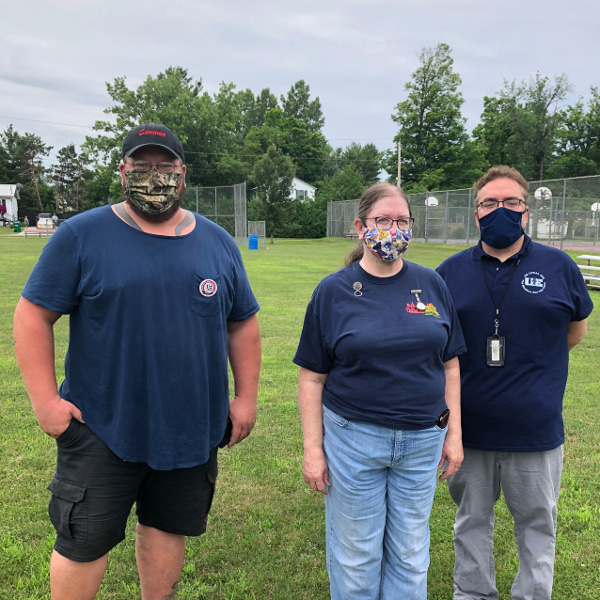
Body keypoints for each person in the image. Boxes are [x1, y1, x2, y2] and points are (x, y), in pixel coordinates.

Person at [13, 123, 261, 600]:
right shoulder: (81, 235)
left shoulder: (217, 242)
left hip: (191, 426)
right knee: (83, 541)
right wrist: (46, 403)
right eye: (142, 165)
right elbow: (32, 315)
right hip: (102, 425)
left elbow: (242, 322)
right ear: (122, 170)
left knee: (167, 529)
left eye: (164, 165)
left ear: (182, 173)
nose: (154, 176)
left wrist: (245, 397)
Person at [293, 182, 466, 600]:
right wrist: (313, 450)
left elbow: (451, 365)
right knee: (356, 556)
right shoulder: (332, 292)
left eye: (402, 221)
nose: (393, 228)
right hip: (353, 440)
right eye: (383, 220)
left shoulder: (431, 284)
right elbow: (311, 377)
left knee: (409, 554)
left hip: (423, 439)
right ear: (360, 227)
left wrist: (454, 435)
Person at [436, 165, 593, 600]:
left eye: (511, 202)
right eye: (489, 203)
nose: (500, 210)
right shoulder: (448, 272)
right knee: (470, 521)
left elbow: (575, 327)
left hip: (536, 429)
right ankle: (472, 593)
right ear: (476, 212)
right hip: (469, 431)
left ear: (526, 210)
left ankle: (533, 593)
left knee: (538, 523)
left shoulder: (558, 266)